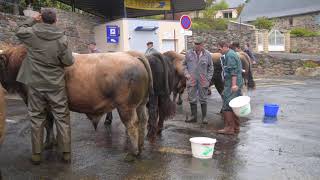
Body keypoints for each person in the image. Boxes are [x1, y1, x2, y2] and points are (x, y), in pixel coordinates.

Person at [16, 8, 74, 164]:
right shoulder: (61, 38)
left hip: (35, 84)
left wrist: (33, 20)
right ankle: (66, 153)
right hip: (56, 84)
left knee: (36, 118)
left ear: (41, 18)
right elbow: (69, 61)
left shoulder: (31, 33)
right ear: (55, 21)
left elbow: (19, 30)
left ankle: (36, 155)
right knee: (62, 117)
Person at [183, 37, 213, 124]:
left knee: (203, 98)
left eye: (198, 44)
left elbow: (211, 67)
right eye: (195, 44)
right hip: (191, 79)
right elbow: (184, 65)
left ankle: (204, 117)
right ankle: (193, 117)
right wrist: (186, 74)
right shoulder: (188, 53)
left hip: (203, 79)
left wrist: (208, 78)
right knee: (192, 98)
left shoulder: (207, 54)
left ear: (202, 45)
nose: (196, 46)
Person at [217, 41, 243, 135]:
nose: (219, 51)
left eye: (219, 49)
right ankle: (236, 127)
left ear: (225, 47)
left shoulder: (230, 56)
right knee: (235, 105)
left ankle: (229, 128)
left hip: (232, 83)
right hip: (233, 82)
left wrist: (234, 85)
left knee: (227, 104)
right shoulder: (231, 54)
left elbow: (233, 72)